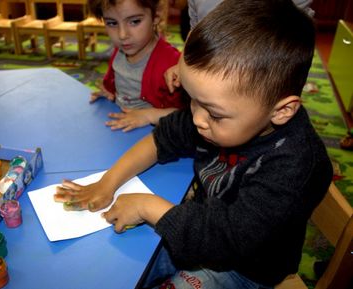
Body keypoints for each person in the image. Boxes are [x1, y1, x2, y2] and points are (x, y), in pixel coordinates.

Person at [55, 0, 333, 288]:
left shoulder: (295, 163)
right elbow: (163, 137)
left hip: (243, 269)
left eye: (213, 112)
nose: (196, 118)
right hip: (196, 228)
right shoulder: (214, 113)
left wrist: (147, 206)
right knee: (107, 268)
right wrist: (108, 181)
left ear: (281, 110)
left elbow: (228, 239)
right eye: (191, 99)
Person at [166, 0, 315, 94]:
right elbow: (196, 27)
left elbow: (295, 38)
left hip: (261, 74)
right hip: (209, 70)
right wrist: (182, 62)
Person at [88, 0, 187, 132]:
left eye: (134, 21)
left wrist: (148, 115)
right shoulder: (121, 50)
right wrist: (109, 91)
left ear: (156, 17)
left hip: (154, 136)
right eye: (112, 23)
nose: (122, 35)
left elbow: (187, 116)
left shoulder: (173, 65)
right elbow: (116, 81)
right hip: (123, 131)